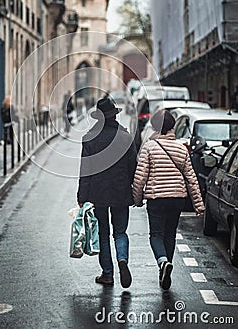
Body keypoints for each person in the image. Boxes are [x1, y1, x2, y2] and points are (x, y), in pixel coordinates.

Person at [132, 109, 205, 291]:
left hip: (157, 198)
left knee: (156, 235)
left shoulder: (149, 147)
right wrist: (198, 204)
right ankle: (167, 267)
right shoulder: (181, 148)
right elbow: (191, 177)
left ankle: (163, 263)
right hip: (177, 199)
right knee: (170, 234)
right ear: (173, 127)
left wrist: (137, 198)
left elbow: (140, 177)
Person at [77, 97, 137, 288]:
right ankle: (122, 260)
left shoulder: (89, 138)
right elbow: (133, 168)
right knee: (120, 232)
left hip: (98, 193)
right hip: (121, 192)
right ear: (114, 115)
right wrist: (136, 193)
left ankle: (108, 274)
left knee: (103, 234)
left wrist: (81, 197)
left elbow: (85, 170)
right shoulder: (125, 137)